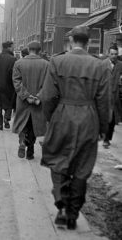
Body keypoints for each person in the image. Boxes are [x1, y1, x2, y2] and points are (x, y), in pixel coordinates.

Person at [38, 26, 109, 230]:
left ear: (70, 42)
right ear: (88, 43)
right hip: (89, 118)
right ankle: (73, 213)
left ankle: (61, 201)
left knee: (58, 158)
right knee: (82, 166)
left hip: (62, 116)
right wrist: (103, 128)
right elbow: (104, 100)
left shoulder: (57, 61)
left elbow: (48, 96)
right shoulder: (100, 65)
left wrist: (51, 117)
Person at [12, 41, 48, 160]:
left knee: (23, 123)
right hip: (38, 102)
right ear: (39, 50)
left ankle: (22, 141)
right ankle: (30, 152)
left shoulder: (19, 63)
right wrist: (38, 96)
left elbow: (16, 82)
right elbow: (48, 84)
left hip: (23, 101)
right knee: (34, 125)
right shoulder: (46, 64)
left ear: (28, 49)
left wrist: (26, 96)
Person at [0, 41, 17, 130]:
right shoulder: (13, 59)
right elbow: (14, 74)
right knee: (9, 104)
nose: (13, 48)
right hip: (9, 86)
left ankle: (0, 124)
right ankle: (6, 118)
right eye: (12, 47)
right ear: (8, 47)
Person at [103, 44, 122, 148]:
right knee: (106, 119)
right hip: (105, 96)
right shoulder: (103, 64)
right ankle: (105, 139)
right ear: (108, 54)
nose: (114, 56)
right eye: (112, 54)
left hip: (115, 97)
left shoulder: (120, 65)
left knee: (114, 120)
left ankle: (108, 137)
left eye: (115, 54)